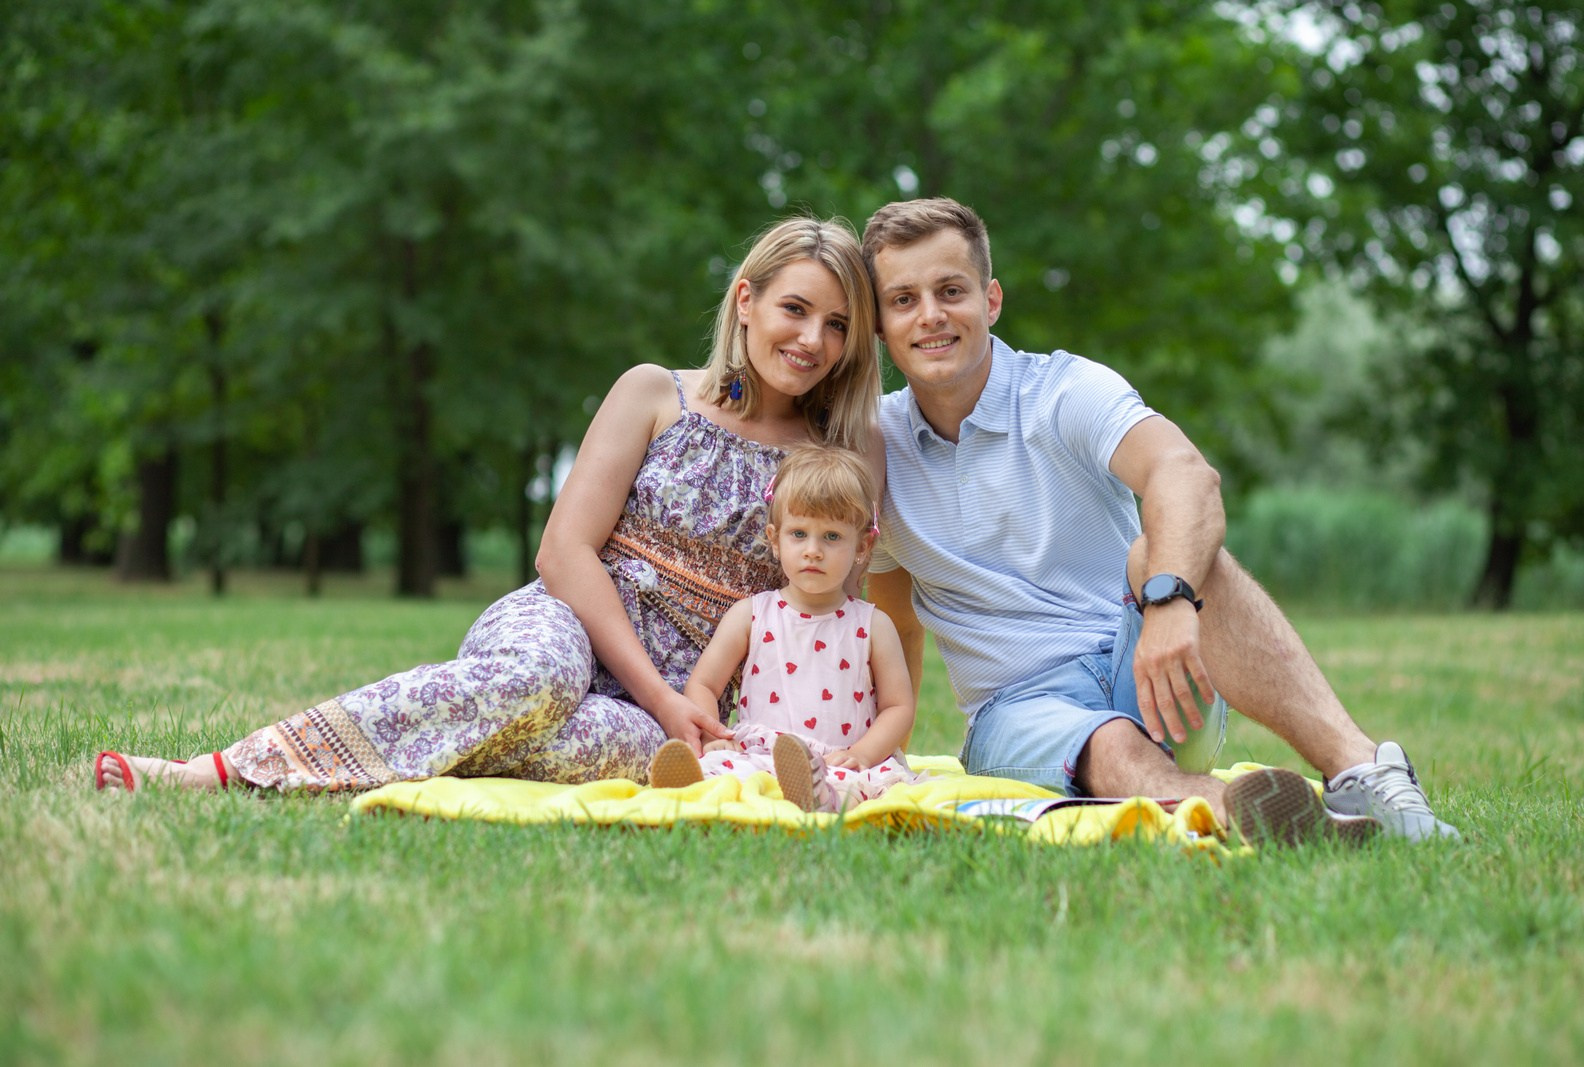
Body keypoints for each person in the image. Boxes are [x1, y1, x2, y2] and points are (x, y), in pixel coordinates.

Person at [93, 215, 883, 794]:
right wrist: (655, 691)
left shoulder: (834, 457)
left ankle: (379, 752)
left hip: (686, 700)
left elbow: (839, 610)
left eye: (837, 324)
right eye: (795, 309)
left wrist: (700, 711)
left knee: (619, 753)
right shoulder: (655, 393)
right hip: (568, 623)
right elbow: (563, 550)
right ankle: (221, 769)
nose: (813, 337)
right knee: (531, 683)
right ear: (746, 300)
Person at [860, 196, 1458, 845]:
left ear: (992, 299)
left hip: (1149, 662)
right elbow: (894, 620)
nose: (931, 316)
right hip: (1017, 709)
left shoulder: (1064, 390)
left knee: (1171, 552)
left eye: (951, 290)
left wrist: (1170, 600)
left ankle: (1362, 770)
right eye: (904, 300)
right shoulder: (876, 450)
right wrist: (878, 748)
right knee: (1110, 740)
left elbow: (1186, 473)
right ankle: (1250, 813)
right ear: (880, 324)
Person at [646, 444, 918, 812]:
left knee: (858, 788)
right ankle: (692, 787)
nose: (813, 551)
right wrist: (714, 736)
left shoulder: (871, 625)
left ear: (862, 547)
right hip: (759, 754)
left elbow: (898, 706)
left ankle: (819, 797)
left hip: (839, 760)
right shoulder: (751, 615)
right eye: (799, 534)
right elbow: (705, 684)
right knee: (725, 770)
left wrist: (862, 754)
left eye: (832, 537)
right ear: (775, 539)